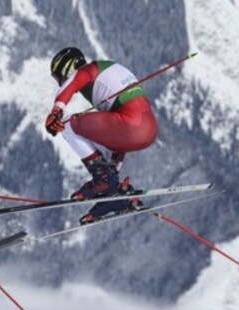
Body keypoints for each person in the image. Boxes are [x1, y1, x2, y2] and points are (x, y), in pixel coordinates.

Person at [44, 47, 158, 224]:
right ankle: (111, 190)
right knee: (102, 139)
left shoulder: (89, 70)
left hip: (131, 125)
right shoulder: (107, 76)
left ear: (67, 69)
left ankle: (102, 179)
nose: (60, 82)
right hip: (148, 130)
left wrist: (56, 111)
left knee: (66, 125)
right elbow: (119, 135)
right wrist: (114, 171)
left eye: (59, 77)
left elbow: (71, 84)